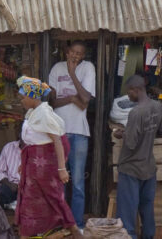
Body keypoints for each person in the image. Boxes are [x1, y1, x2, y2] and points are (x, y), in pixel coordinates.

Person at [15, 77, 81, 239]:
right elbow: (32, 141)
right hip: (34, 165)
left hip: (46, 167)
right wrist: (24, 163)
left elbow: (57, 140)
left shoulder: (44, 114)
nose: (21, 101)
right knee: (30, 200)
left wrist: (61, 169)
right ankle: (28, 233)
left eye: (23, 97)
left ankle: (74, 231)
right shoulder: (32, 113)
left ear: (32, 97)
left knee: (53, 198)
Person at [48, 42, 95, 226]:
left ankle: (77, 225)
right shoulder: (56, 68)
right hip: (59, 133)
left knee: (77, 183)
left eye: (79, 54)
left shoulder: (88, 68)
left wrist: (72, 73)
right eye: (73, 52)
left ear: (83, 56)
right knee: (58, 180)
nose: (75, 56)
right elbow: (51, 102)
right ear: (67, 52)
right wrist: (71, 98)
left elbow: (85, 100)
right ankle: (59, 221)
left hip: (79, 132)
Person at [114, 75, 162, 239]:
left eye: (129, 92)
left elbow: (131, 143)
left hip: (131, 169)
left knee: (127, 214)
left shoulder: (136, 113)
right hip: (149, 167)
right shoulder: (157, 106)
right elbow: (160, 132)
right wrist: (129, 132)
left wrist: (121, 134)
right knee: (147, 209)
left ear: (136, 90)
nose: (128, 95)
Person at [0, 139, 23, 208]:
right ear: (20, 133)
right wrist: (9, 184)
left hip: (30, 190)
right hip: (11, 186)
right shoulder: (9, 147)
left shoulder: (38, 150)